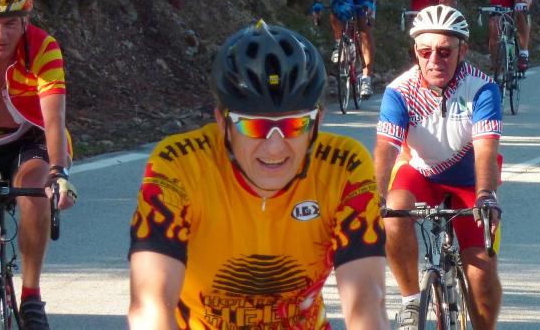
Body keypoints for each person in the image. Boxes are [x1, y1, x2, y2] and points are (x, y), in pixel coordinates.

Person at [128, 20, 387, 330]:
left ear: (317, 121)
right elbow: (151, 305)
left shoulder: (344, 167)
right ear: (222, 123)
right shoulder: (178, 167)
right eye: (254, 126)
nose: (275, 147)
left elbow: (366, 301)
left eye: (294, 125)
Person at [374, 5, 503, 330]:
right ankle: (410, 302)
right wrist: (374, 195)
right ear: (415, 51)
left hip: (470, 179)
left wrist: (486, 195)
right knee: (393, 208)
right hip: (420, 172)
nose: (435, 61)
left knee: (480, 271)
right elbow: (386, 148)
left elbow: (486, 148)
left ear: (463, 50)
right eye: (426, 51)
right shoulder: (399, 91)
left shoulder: (482, 88)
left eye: (445, 52)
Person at [0, 0, 77, 330]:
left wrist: (59, 172)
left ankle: (30, 295)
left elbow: (54, 118)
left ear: (26, 20)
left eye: (11, 23)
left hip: (30, 136)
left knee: (35, 192)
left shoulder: (43, 48)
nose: (0, 35)